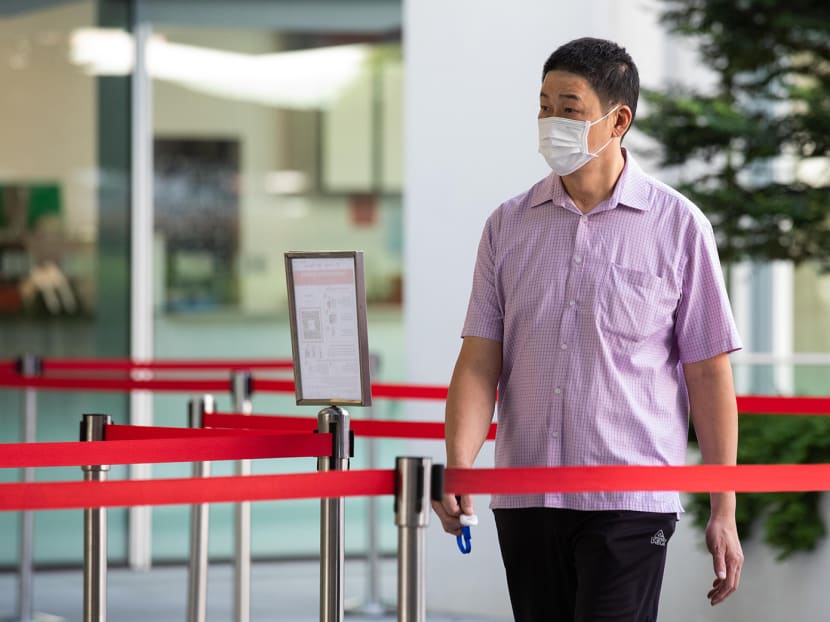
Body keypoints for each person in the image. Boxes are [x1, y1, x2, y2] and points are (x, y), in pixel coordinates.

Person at [432, 37, 744, 621]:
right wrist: (459, 464)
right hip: (526, 497)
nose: (551, 120)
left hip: (629, 500)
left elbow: (708, 372)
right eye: (544, 105)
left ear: (617, 119)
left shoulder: (678, 226)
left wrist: (722, 507)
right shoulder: (507, 226)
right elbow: (479, 362)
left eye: (569, 108)